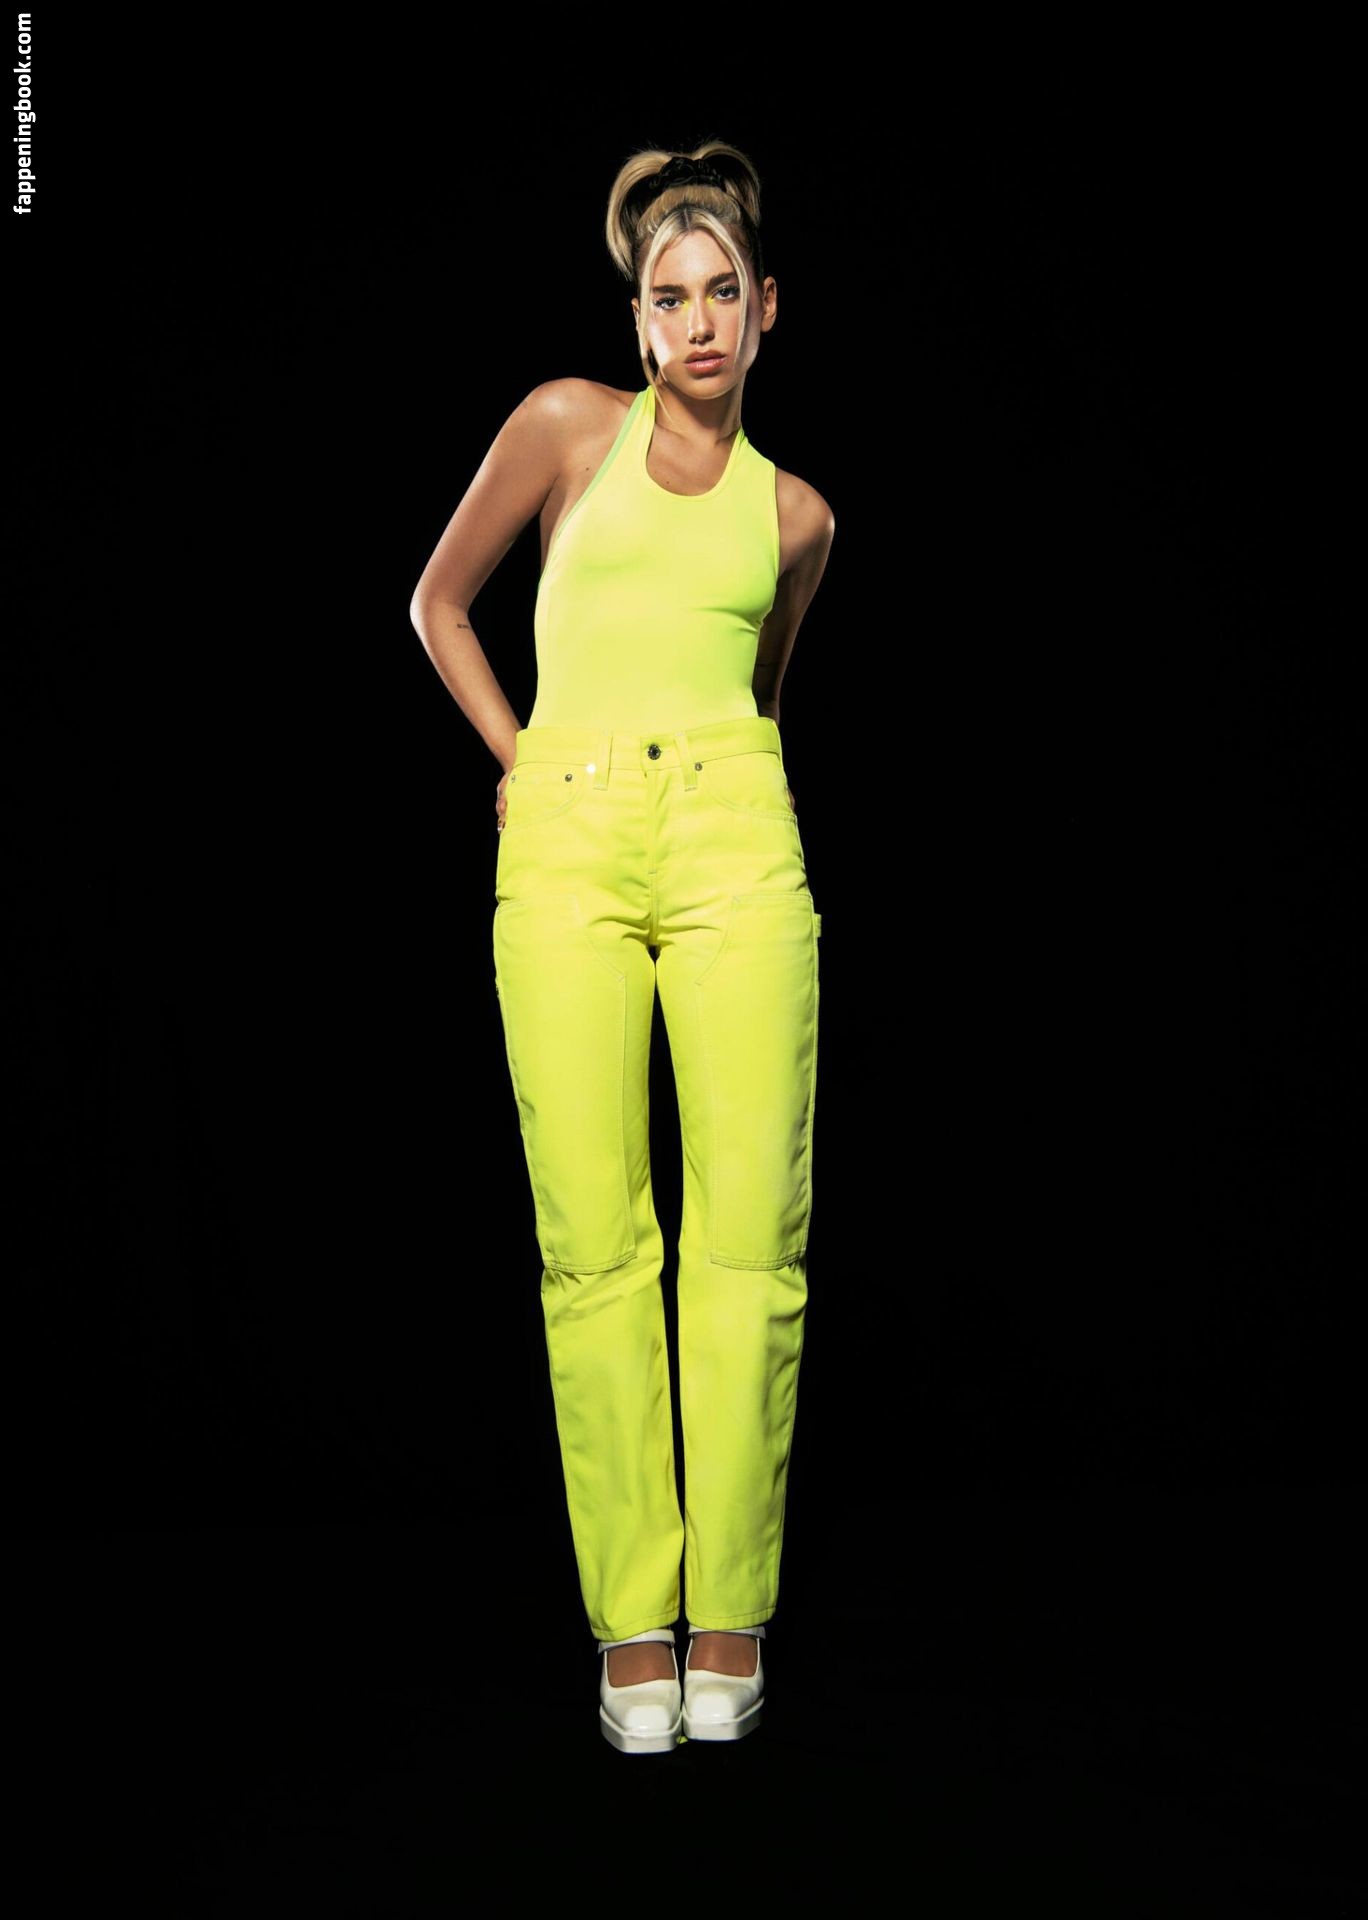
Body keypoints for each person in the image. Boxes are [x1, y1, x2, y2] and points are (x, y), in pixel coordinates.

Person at [409, 141, 834, 1751]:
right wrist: (523, 764)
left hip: (735, 836)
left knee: (751, 1243)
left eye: (723, 291)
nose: (697, 321)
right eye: (669, 296)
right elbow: (439, 604)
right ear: (637, 318)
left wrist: (714, 789)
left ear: (768, 307)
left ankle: (730, 1609)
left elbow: (759, 699)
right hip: (569, 834)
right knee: (595, 1244)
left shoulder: (797, 517)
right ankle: (631, 1624)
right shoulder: (567, 428)